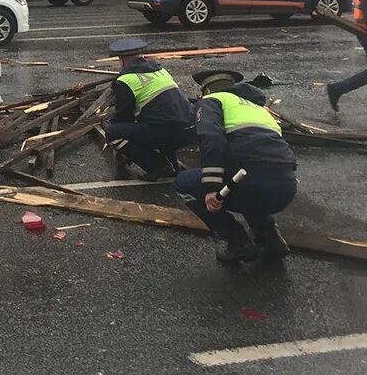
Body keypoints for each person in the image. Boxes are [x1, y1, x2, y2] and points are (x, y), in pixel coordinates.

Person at [176, 70, 297, 265]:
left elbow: (212, 140)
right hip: (286, 187)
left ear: (206, 89)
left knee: (185, 183)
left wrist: (212, 189)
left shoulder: (212, 100)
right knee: (243, 177)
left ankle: (237, 242)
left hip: (251, 183)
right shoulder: (257, 107)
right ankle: (271, 239)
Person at [104, 38, 198, 181]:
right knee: (160, 121)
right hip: (190, 128)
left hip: (168, 131)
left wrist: (125, 148)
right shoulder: (160, 70)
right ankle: (173, 166)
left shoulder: (126, 80)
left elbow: (124, 115)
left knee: (114, 132)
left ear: (122, 60)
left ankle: (157, 165)